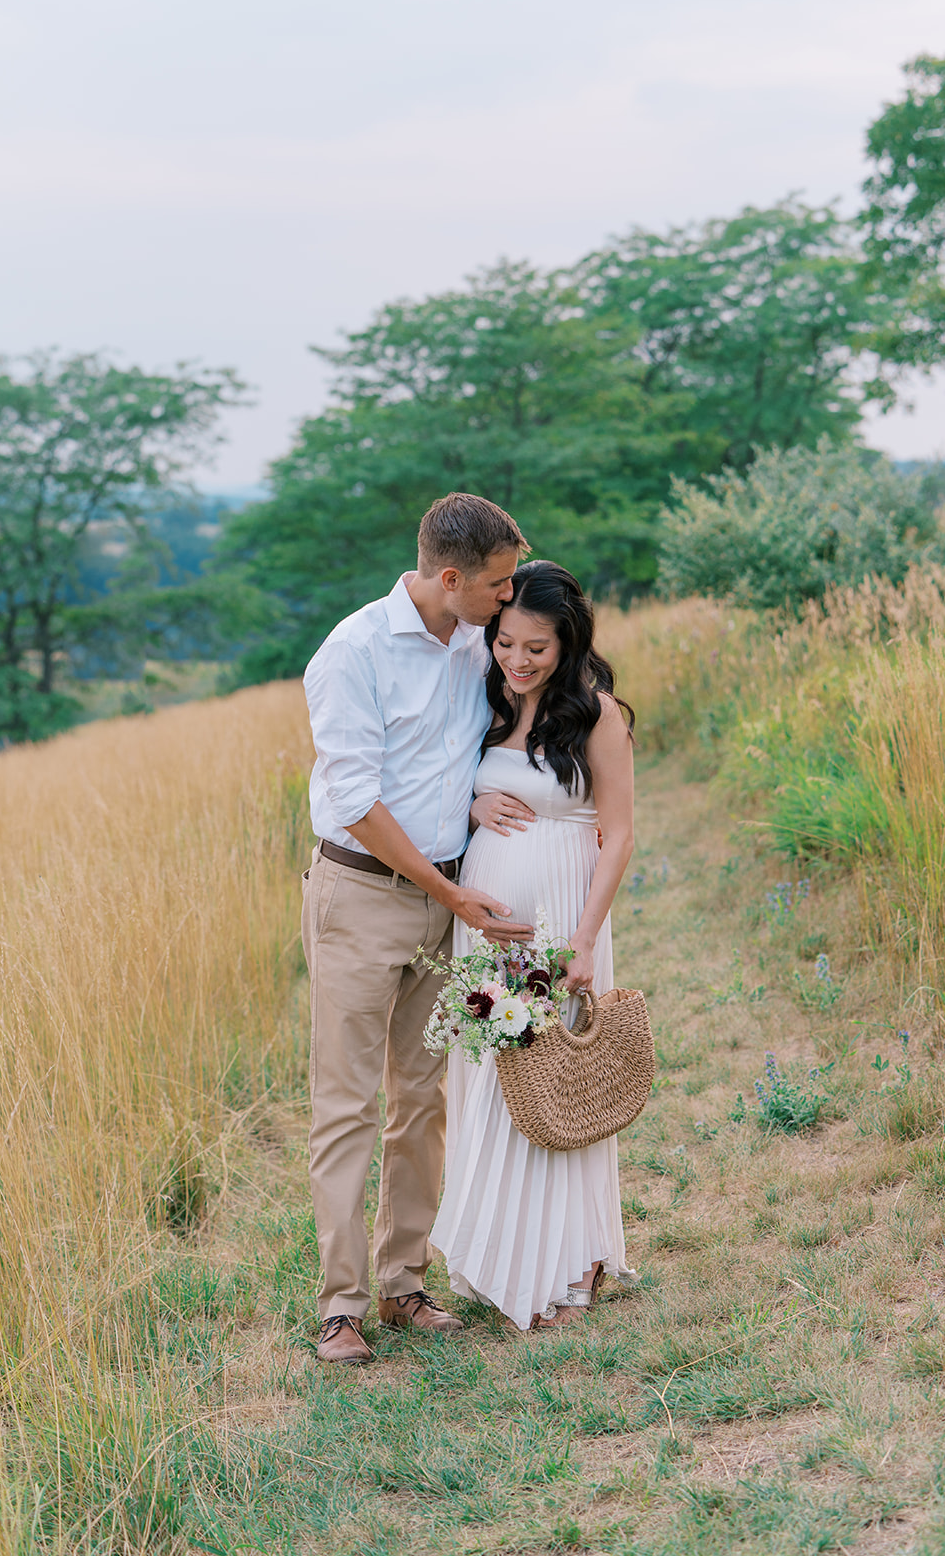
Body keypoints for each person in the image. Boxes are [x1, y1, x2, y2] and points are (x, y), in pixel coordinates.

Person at [300, 493, 533, 1364]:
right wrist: (448, 888)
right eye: (498, 585)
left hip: (446, 901)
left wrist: (476, 802)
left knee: (423, 1099)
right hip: (361, 898)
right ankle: (340, 1306)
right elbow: (356, 799)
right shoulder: (353, 651)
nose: (508, 600)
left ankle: (404, 1285)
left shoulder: (478, 643)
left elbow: (459, 755)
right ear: (448, 578)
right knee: (347, 1105)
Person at [430, 559, 638, 1331]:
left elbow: (615, 838)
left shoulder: (598, 714)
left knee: (556, 1081)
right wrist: (475, 800)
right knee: (493, 1079)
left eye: (536, 650)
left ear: (568, 646)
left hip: (559, 917)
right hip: (484, 925)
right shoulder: (489, 701)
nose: (516, 661)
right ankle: (503, 1256)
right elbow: (444, 783)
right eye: (505, 643)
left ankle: (567, 1261)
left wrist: (583, 941)